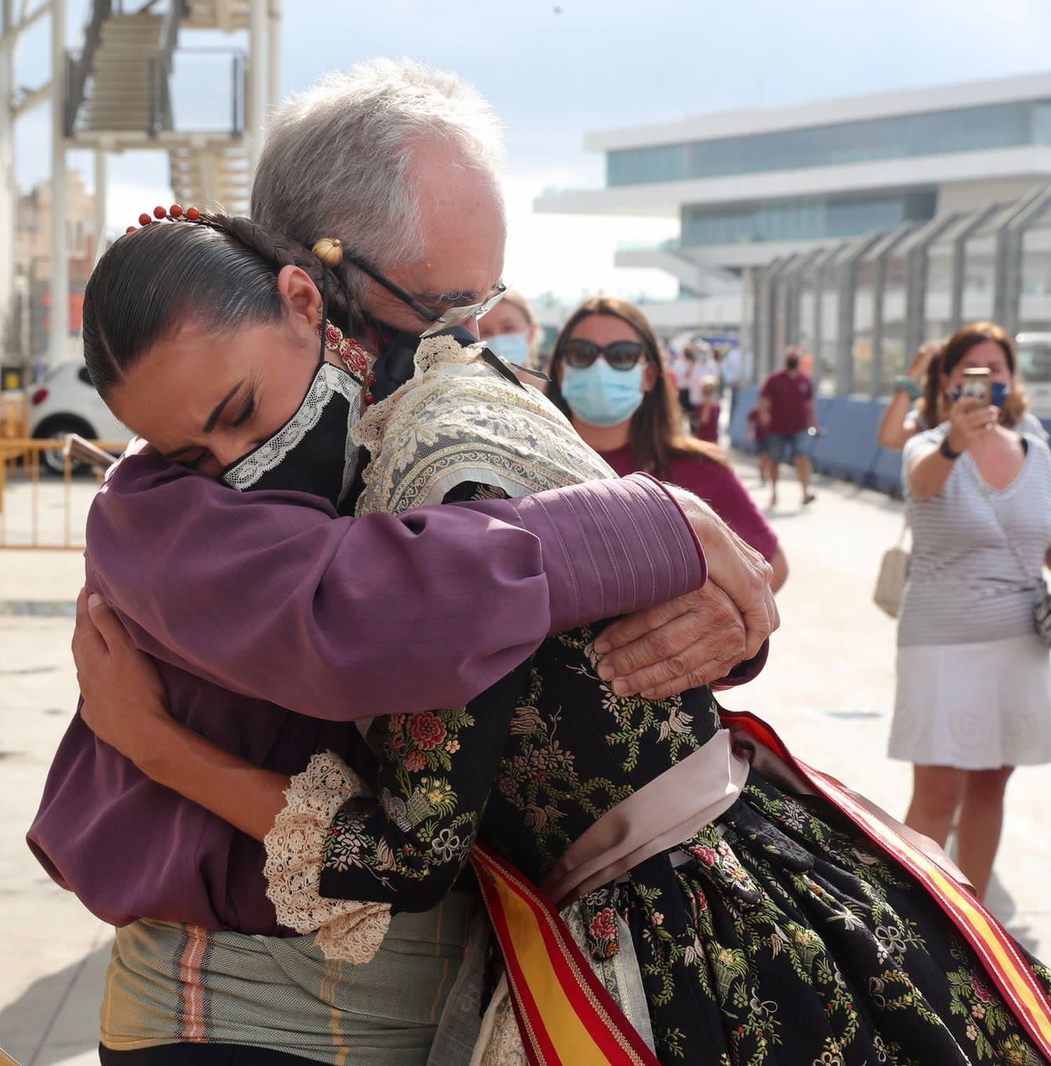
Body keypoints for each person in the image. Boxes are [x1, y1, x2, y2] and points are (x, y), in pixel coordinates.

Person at [70, 213, 1051, 1066]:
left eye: (240, 413)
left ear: (304, 296)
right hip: (764, 860)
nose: (241, 467)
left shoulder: (430, 480)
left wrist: (154, 744)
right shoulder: (477, 392)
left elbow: (407, 857)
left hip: (683, 939)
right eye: (198, 459)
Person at [31, 60, 778, 1066]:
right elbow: (371, 616)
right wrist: (651, 526)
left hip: (418, 1011)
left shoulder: (411, 431)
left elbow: (561, 660)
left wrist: (712, 616)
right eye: (432, 308)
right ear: (310, 282)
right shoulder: (164, 505)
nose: (453, 349)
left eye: (478, 308)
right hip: (239, 1010)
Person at [893, 321, 1051, 894]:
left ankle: (975, 932)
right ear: (948, 381)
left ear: (1012, 380)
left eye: (997, 371)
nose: (986, 384)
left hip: (1020, 646)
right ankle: (914, 931)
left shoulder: (1038, 453)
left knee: (990, 789)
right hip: (941, 644)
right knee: (937, 794)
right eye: (971, 373)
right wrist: (956, 442)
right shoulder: (927, 444)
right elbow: (925, 483)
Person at [547, 297, 786, 590]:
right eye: (581, 353)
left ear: (649, 375)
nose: (600, 367)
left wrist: (700, 624)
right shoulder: (513, 466)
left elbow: (771, 568)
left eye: (622, 355)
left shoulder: (701, 471)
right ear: (560, 370)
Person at [882, 339, 1047, 452]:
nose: (983, 378)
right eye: (969, 369)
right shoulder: (931, 422)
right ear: (946, 379)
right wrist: (913, 374)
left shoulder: (1024, 427)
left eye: (993, 369)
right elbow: (890, 437)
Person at [759, 348, 818, 507]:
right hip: (777, 427)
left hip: (799, 426)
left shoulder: (805, 380)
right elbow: (764, 400)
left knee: (802, 458)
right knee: (775, 460)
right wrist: (764, 414)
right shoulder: (774, 379)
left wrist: (814, 424)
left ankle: (805, 493)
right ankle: (774, 492)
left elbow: (809, 405)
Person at [478, 290, 542, 371]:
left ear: (532, 331)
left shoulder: (558, 383)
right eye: (485, 331)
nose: (497, 340)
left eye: (508, 328)